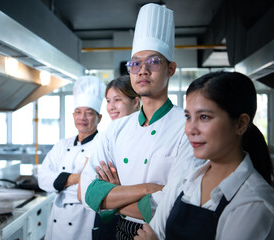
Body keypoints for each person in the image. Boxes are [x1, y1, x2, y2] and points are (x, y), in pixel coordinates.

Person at [80, 3, 201, 239]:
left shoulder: (188, 127)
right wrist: (147, 190)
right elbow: (87, 191)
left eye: (154, 62)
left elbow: (176, 204)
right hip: (118, 231)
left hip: (161, 233)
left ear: (171, 68)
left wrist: (113, 196)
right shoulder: (116, 129)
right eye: (135, 63)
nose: (143, 70)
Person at [135, 71, 274, 240]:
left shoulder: (254, 202)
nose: (190, 129)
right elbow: (154, 231)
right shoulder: (187, 176)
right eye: (188, 117)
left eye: (204, 117)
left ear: (240, 124)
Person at [38, 75, 106, 240]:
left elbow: (95, 187)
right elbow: (43, 179)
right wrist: (78, 178)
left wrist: (61, 183)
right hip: (57, 220)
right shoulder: (62, 144)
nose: (82, 118)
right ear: (73, 115)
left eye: (89, 113)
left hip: (83, 219)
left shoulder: (102, 144)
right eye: (78, 112)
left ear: (99, 118)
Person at [92, 74, 140, 240]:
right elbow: (92, 189)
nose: (111, 107)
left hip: (139, 224)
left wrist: (117, 190)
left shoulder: (146, 136)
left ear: (136, 102)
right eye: (108, 101)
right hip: (107, 219)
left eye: (117, 99)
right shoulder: (106, 137)